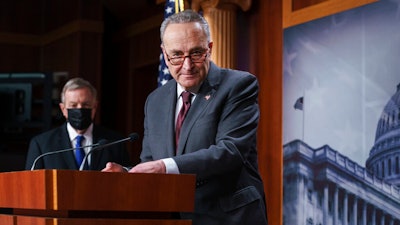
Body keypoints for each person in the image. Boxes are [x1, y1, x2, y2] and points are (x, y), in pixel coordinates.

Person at [102, 10, 268, 225]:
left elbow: (230, 151)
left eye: (196, 53)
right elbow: (151, 162)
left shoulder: (238, 85)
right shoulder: (155, 100)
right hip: (174, 217)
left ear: (210, 48)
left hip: (229, 217)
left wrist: (163, 167)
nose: (187, 65)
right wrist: (128, 173)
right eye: (177, 55)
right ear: (164, 54)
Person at [25, 77, 131, 170]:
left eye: (85, 105)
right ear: (63, 109)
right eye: (73, 105)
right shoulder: (42, 145)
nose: (79, 109)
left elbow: (129, 177)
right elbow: (32, 184)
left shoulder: (114, 142)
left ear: (94, 107)